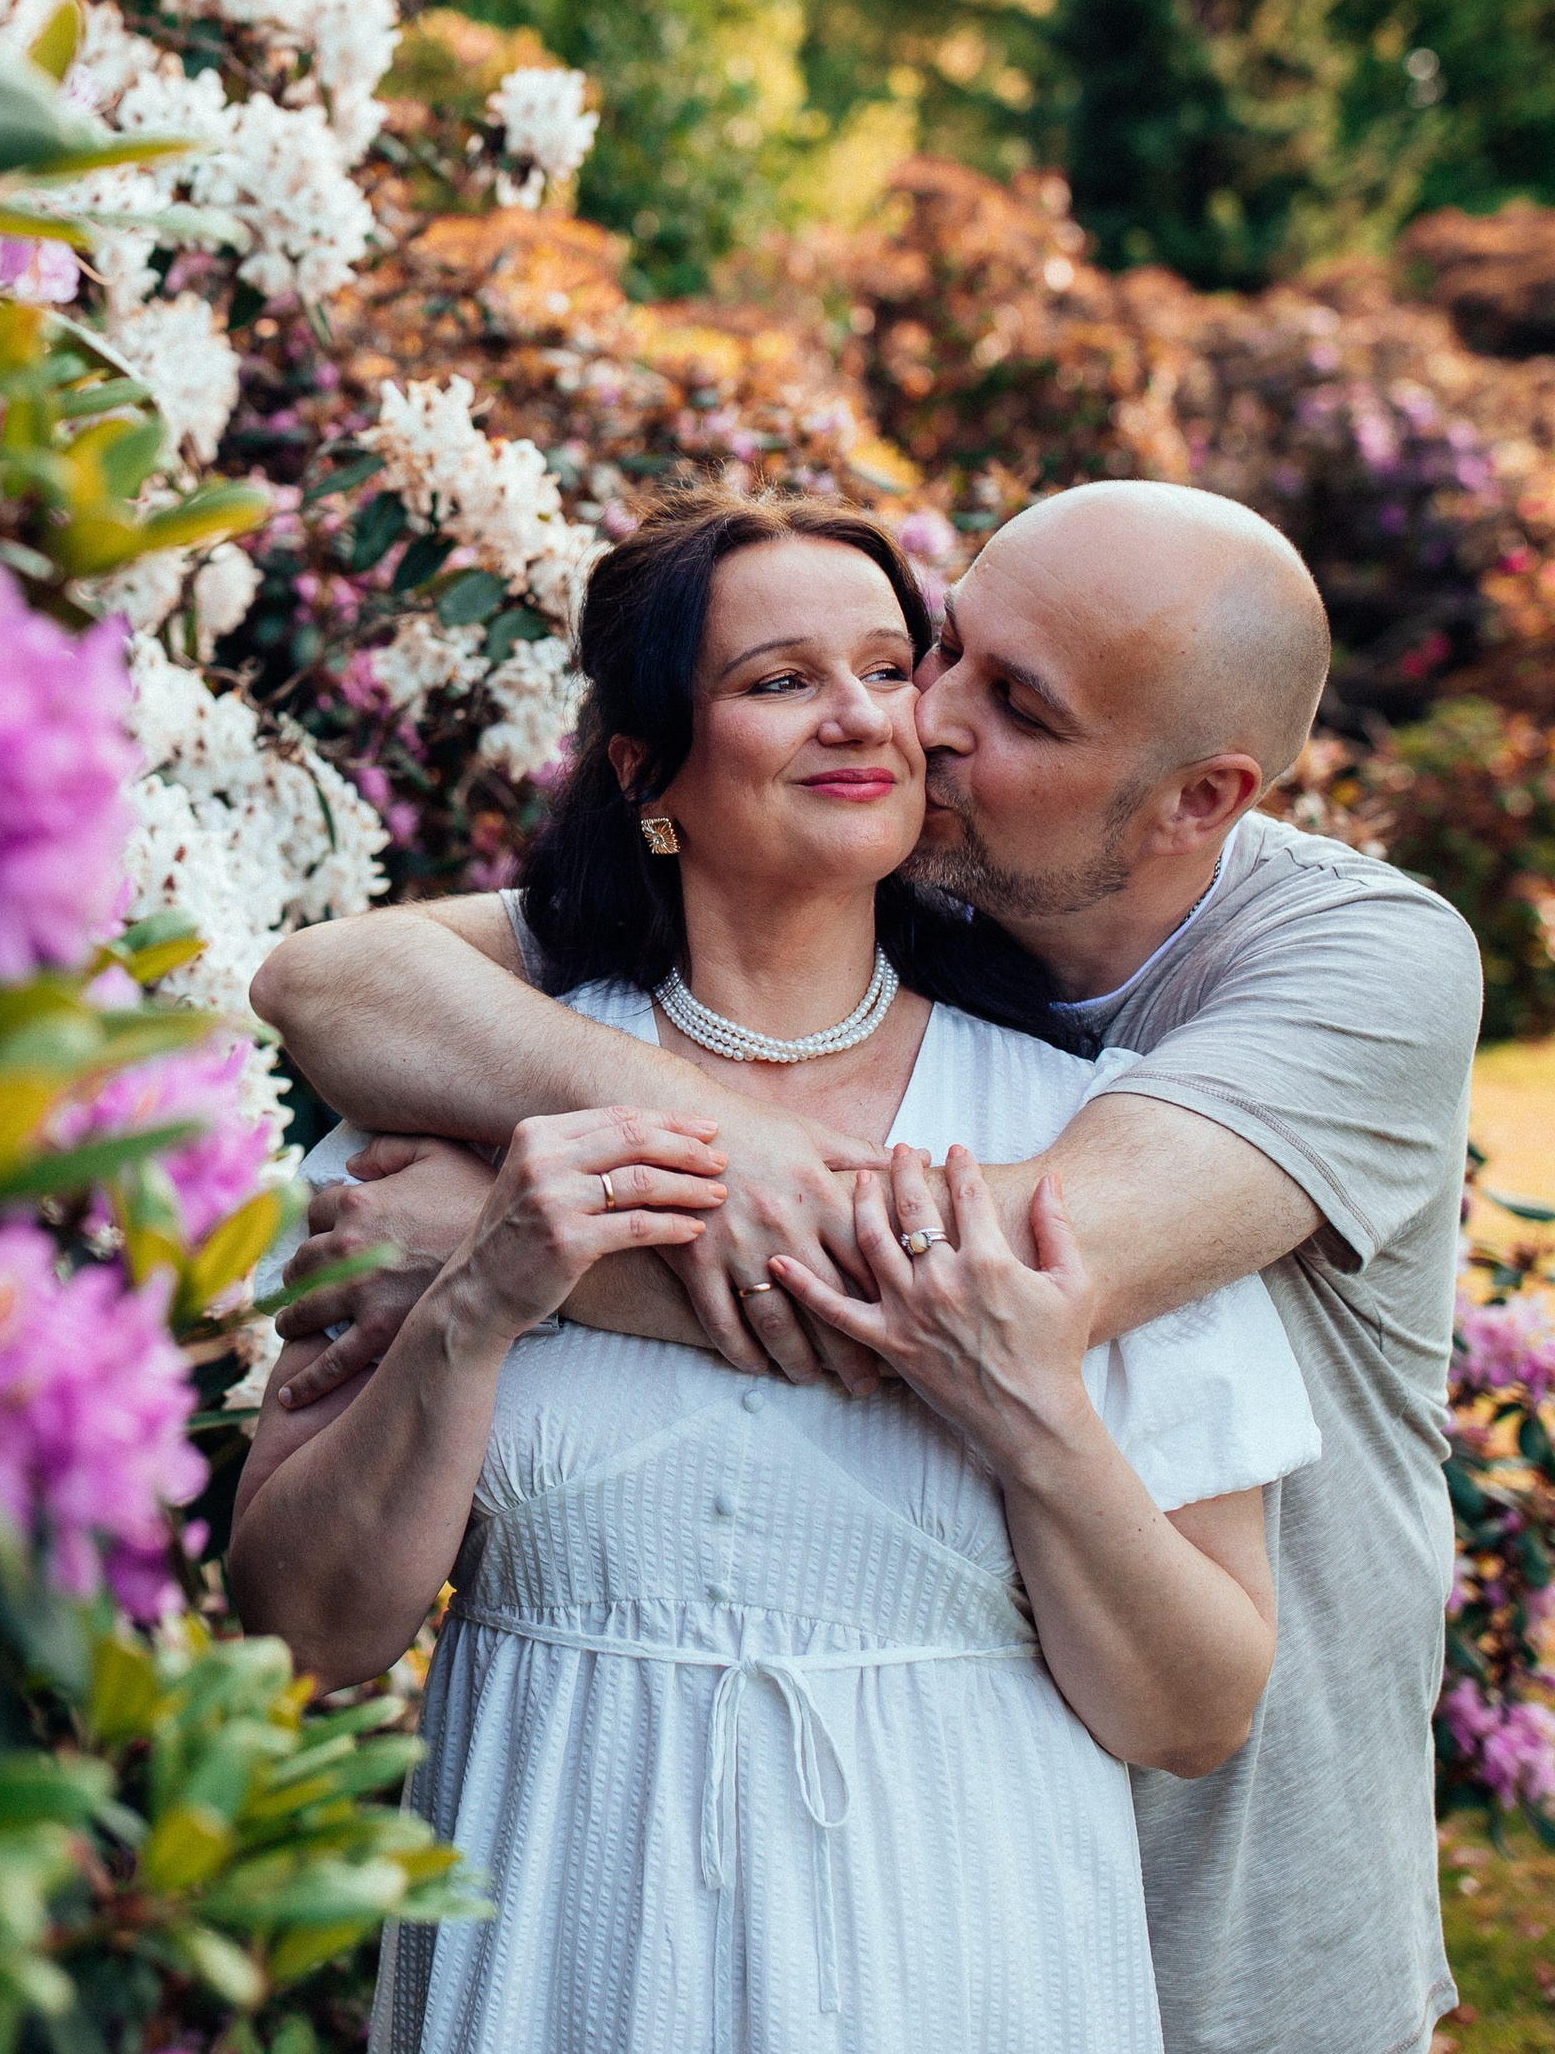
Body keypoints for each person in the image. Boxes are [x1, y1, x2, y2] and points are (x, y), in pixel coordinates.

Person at [252, 479, 1484, 2054]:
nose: (922, 722)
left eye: (1014, 704)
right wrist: (714, 1145)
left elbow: (995, 1277)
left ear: (1200, 800)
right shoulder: (813, 884)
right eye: (945, 650)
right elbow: (334, 980)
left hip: (1213, 1922)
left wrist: (489, 1257)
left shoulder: (1347, 970)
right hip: (587, 1925)